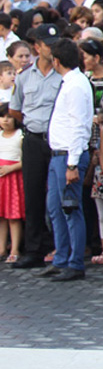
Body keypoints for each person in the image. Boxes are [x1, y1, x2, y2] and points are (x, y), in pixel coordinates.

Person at [8, 25, 62, 269]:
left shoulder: (63, 75)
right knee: (32, 193)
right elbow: (15, 109)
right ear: (37, 47)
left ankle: (60, 246)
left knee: (59, 194)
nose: (51, 49)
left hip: (55, 138)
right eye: (47, 44)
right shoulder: (24, 76)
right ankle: (33, 248)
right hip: (32, 137)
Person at [39, 39, 93, 282]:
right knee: (55, 208)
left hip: (68, 156)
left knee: (71, 208)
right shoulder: (71, 82)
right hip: (58, 155)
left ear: (57, 61)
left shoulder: (76, 85)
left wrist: (72, 163)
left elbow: (79, 126)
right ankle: (61, 256)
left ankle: (75, 262)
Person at [0, 104, 22, 263]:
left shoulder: (21, 136)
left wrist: (11, 168)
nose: (6, 120)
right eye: (3, 117)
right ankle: (1, 248)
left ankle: (14, 248)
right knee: (1, 216)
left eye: (9, 117)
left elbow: (26, 159)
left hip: (13, 176)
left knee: (14, 216)